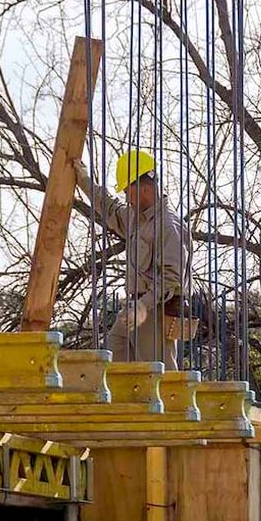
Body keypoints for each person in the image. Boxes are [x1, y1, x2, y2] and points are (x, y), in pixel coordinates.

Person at [74, 149, 192, 370]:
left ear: (143, 188)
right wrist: (84, 180)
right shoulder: (137, 218)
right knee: (114, 352)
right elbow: (108, 207)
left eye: (128, 191)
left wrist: (143, 306)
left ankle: (172, 405)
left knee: (159, 373)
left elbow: (171, 278)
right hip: (137, 306)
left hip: (156, 309)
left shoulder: (168, 226)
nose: (127, 198)